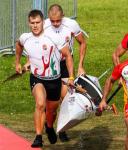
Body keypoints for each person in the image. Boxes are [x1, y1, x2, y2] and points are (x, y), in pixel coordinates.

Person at [15, 9, 74, 148]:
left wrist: (71, 76)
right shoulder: (25, 37)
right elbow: (19, 45)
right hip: (37, 78)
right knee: (40, 104)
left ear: (43, 22)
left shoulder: (53, 37)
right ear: (29, 23)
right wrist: (17, 62)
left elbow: (68, 56)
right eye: (32, 23)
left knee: (52, 110)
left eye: (38, 22)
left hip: (54, 80)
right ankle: (38, 137)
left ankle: (49, 127)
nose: (35, 25)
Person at [44, 4, 87, 142]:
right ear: (49, 18)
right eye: (53, 21)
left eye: (58, 20)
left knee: (66, 98)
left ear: (62, 16)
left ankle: (62, 129)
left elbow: (82, 43)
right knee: (51, 102)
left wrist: (80, 65)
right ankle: (49, 124)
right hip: (50, 65)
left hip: (66, 63)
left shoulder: (71, 24)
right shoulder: (43, 25)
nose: (56, 23)